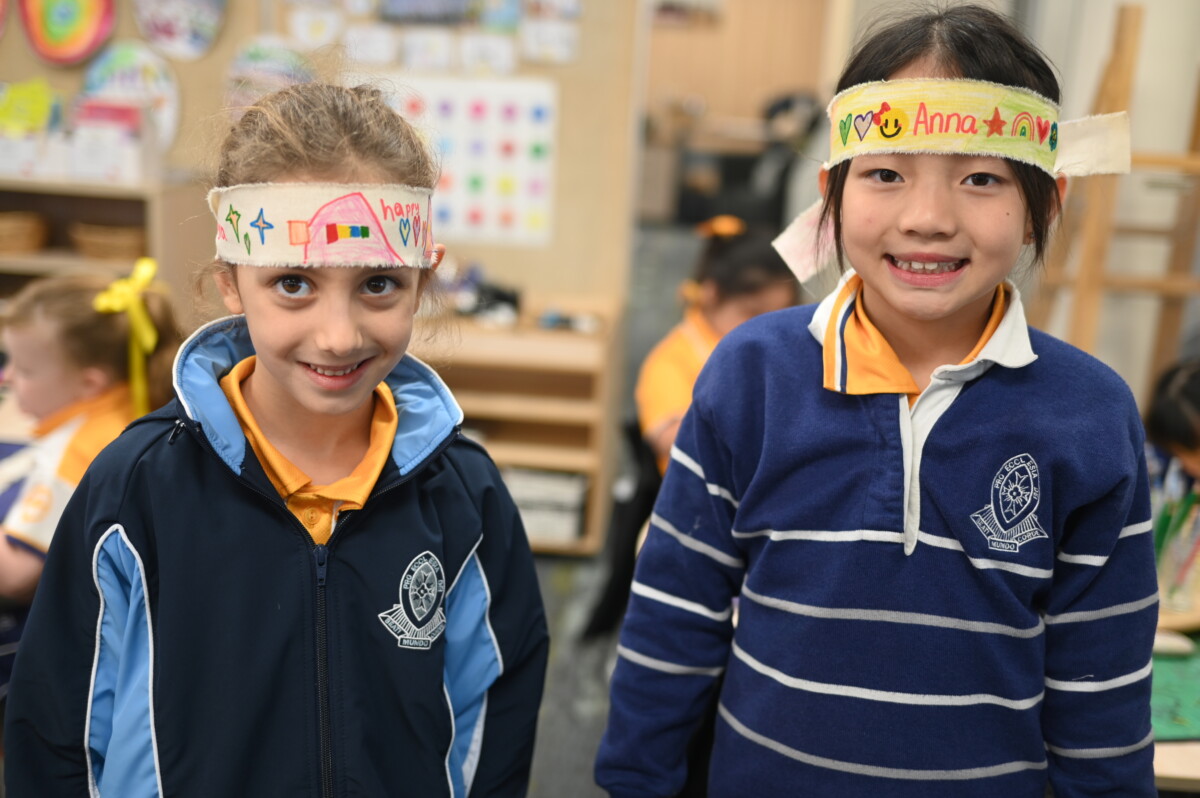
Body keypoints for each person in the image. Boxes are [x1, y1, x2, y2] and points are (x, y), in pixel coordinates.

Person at [596, 6, 1158, 797]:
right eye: (886, 174)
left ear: (1047, 203)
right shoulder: (750, 377)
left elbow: (1102, 685)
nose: (927, 220)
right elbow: (673, 614)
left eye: (981, 178)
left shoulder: (1091, 416)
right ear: (832, 192)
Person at [5, 82, 549, 797]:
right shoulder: (137, 489)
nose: (338, 336)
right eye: (293, 283)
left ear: (423, 279)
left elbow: (495, 722)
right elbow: (57, 729)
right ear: (231, 283)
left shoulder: (466, 500)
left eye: (378, 284)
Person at [0, 264, 181, 712]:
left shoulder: (78, 451)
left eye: (24, 369)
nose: (7, 378)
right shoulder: (137, 407)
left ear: (89, 382)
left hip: (58, 653)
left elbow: (16, 575)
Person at [636, 216, 800, 474]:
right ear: (711, 295)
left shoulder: (775, 350)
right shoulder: (671, 360)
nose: (767, 329)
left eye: (779, 317)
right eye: (752, 314)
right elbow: (670, 437)